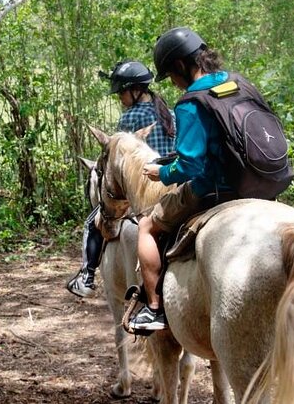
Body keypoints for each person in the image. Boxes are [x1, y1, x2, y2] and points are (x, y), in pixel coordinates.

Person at [129, 27, 241, 331]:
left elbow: (190, 165)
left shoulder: (191, 102)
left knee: (147, 226)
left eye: (172, 76)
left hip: (214, 188)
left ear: (180, 65)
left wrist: (161, 172)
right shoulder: (237, 84)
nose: (175, 85)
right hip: (256, 182)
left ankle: (154, 309)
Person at [66, 60, 175, 298]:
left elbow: (117, 161)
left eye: (120, 93)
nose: (119, 99)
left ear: (134, 91)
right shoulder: (169, 113)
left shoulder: (130, 118)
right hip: (172, 182)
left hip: (142, 186)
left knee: (93, 220)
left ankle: (87, 275)